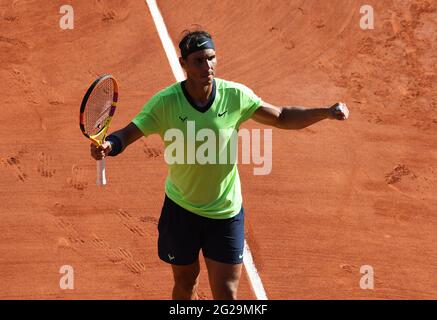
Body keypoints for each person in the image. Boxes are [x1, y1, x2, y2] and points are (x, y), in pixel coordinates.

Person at [90, 29, 349, 300]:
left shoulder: (235, 96)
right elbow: (129, 133)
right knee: (185, 283)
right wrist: (109, 145)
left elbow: (281, 116)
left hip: (225, 212)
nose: (207, 66)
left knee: (226, 294)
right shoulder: (165, 103)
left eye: (211, 58)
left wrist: (325, 112)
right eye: (199, 61)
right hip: (181, 210)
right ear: (183, 64)